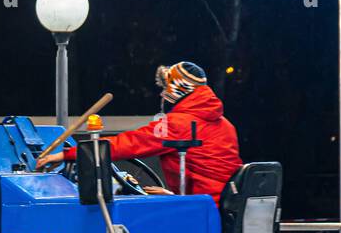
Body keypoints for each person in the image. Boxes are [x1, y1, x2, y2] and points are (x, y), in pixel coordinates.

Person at [37, 61, 243, 197]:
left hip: (201, 216)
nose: (162, 95)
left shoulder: (178, 123)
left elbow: (129, 143)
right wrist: (175, 197)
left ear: (179, 89)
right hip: (217, 210)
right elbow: (213, 180)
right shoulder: (226, 125)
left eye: (165, 89)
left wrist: (66, 156)